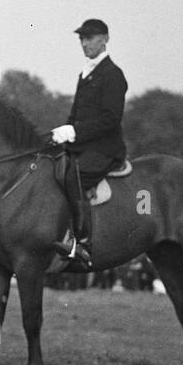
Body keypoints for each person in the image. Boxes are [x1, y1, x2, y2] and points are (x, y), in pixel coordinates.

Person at [48, 19, 128, 269]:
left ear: (105, 39)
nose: (85, 43)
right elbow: (76, 113)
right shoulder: (86, 73)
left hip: (105, 149)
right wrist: (62, 132)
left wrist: (74, 131)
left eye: (90, 38)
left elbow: (110, 119)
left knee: (75, 176)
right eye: (81, 39)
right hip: (82, 145)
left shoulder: (112, 74)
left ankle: (83, 244)